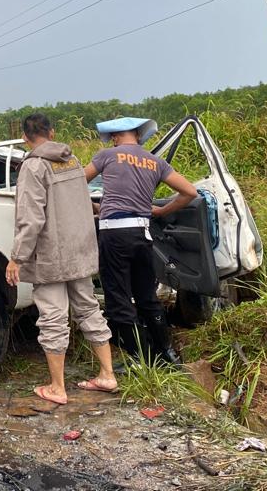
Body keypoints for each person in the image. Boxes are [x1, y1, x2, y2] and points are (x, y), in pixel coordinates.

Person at [6, 113, 117, 405]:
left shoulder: (33, 166)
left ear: (25, 137)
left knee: (53, 319)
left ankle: (57, 387)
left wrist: (17, 257)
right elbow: (84, 201)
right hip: (79, 252)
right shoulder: (73, 160)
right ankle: (107, 374)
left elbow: (30, 218)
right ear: (52, 132)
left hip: (51, 257)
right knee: (89, 310)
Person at [84, 117, 197, 366]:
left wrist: (96, 207)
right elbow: (190, 192)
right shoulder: (155, 162)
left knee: (118, 300)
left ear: (115, 136)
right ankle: (167, 354)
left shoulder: (107, 156)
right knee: (147, 297)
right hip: (142, 234)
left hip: (114, 235)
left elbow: (75, 183)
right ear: (137, 136)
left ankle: (143, 360)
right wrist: (161, 211)